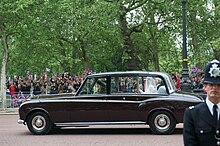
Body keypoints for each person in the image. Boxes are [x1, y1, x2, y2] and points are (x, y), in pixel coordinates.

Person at [183, 59, 220, 146]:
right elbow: (190, 143)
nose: (214, 88)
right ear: (205, 86)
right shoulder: (192, 114)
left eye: (218, 85)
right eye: (211, 85)